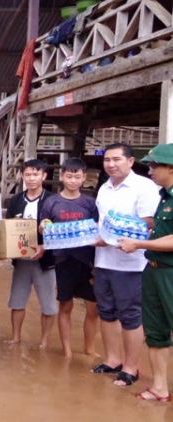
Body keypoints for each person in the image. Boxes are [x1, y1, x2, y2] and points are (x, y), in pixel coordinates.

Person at [91, 143, 159, 386]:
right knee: (106, 311)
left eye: (117, 159)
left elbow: (149, 222)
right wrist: (99, 238)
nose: (111, 164)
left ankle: (131, 367)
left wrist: (116, 233)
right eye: (107, 160)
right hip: (104, 261)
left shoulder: (144, 187)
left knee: (130, 314)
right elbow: (101, 222)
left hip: (131, 263)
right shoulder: (104, 188)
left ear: (130, 161)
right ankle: (112, 359)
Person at [118, 144, 173, 401]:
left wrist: (139, 244)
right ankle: (160, 388)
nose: (150, 171)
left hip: (170, 273)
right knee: (156, 332)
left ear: (170, 168)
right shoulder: (164, 195)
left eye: (154, 166)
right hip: (153, 271)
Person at [39, 158, 100, 358]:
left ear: (84, 178)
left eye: (77, 177)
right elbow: (42, 227)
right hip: (63, 261)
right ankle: (66, 350)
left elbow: (97, 231)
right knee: (65, 305)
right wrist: (43, 225)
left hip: (87, 261)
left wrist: (96, 264)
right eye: (69, 176)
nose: (73, 180)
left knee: (94, 309)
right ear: (62, 176)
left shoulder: (90, 203)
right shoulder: (52, 202)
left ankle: (89, 348)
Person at [5, 159, 57, 349]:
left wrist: (45, 247)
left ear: (44, 176)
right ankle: (16, 338)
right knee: (17, 301)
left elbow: (57, 230)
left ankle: (44, 342)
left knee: (48, 304)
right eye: (28, 174)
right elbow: (8, 227)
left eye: (36, 174)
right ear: (22, 176)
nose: (31, 178)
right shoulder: (16, 200)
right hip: (21, 260)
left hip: (45, 259)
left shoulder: (52, 200)